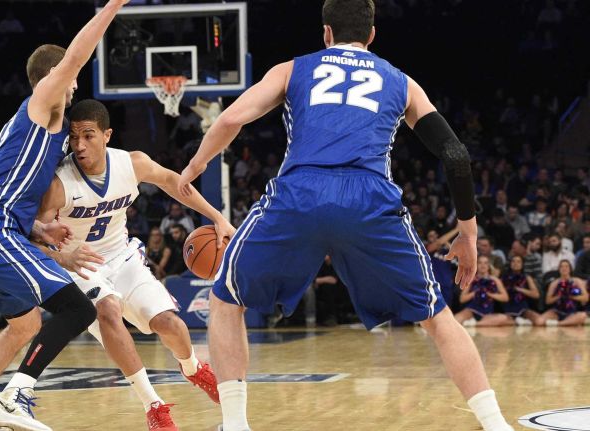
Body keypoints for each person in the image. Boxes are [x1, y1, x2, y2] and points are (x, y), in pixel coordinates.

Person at [178, 1, 514, 429]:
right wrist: (467, 235)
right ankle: (495, 423)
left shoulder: (292, 69)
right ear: (372, 35)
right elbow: (456, 155)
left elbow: (231, 118)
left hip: (300, 192)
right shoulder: (402, 82)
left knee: (226, 299)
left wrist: (196, 166)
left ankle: (236, 424)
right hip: (369, 198)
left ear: (326, 33)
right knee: (437, 317)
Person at [0, 3, 131, 431]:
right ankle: (14, 399)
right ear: (56, 80)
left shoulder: (24, 130)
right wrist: (112, 7)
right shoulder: (41, 105)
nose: (74, 87)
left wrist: (39, 228)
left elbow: (5, 187)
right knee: (78, 310)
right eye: (70, 80)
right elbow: (76, 57)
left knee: (25, 324)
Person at [34, 100, 234, 430]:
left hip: (123, 257)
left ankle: (192, 367)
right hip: (80, 265)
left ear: (107, 135)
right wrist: (59, 258)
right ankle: (154, 406)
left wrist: (217, 219)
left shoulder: (132, 163)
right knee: (109, 309)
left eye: (89, 135)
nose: (80, 145)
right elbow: (34, 236)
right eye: (73, 137)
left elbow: (174, 183)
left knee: (170, 324)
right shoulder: (59, 184)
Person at [454, 256, 510, 327]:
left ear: (489, 266)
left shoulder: (495, 280)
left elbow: (505, 298)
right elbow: (462, 299)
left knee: (503, 318)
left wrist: (489, 294)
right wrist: (475, 292)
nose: (483, 265)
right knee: (456, 319)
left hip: (487, 313)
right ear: (476, 265)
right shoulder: (471, 279)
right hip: (472, 310)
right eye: (480, 263)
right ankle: (473, 323)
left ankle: (475, 324)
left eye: (485, 263)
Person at [536, 259, 588, 326]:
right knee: (539, 321)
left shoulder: (577, 281)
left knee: (583, 315)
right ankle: (567, 323)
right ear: (559, 269)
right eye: (561, 266)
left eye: (566, 266)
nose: (564, 268)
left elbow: (586, 298)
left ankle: (559, 324)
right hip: (557, 311)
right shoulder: (554, 283)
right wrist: (559, 296)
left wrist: (571, 296)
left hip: (572, 312)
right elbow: (548, 301)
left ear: (570, 269)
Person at [500, 255, 541, 326]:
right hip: (507, 306)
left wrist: (519, 289)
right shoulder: (503, 278)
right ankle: (517, 321)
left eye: (518, 262)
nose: (515, 263)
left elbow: (536, 294)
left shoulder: (527, 277)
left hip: (522, 306)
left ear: (522, 265)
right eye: (513, 261)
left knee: (538, 319)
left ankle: (522, 321)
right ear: (510, 264)